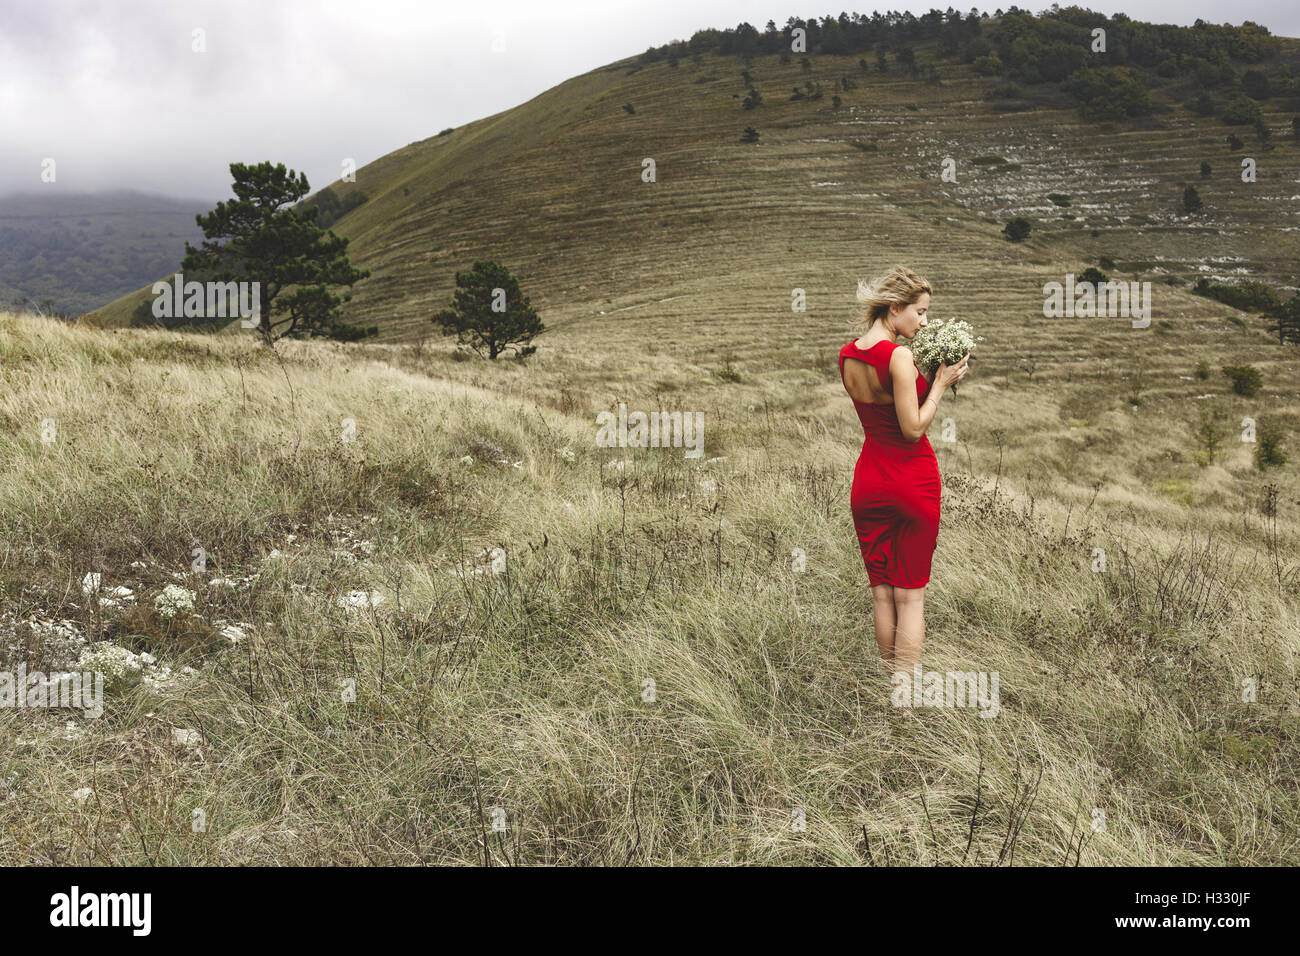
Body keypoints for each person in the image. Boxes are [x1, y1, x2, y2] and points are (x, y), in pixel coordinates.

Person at [837, 266, 969, 670]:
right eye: (921, 311)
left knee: (881, 593)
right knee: (909, 596)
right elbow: (911, 428)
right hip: (910, 479)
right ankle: (904, 699)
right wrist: (941, 385)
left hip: (869, 481)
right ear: (895, 308)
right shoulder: (898, 355)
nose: (925, 321)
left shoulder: (847, 354)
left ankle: (888, 683)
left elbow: (882, 410)